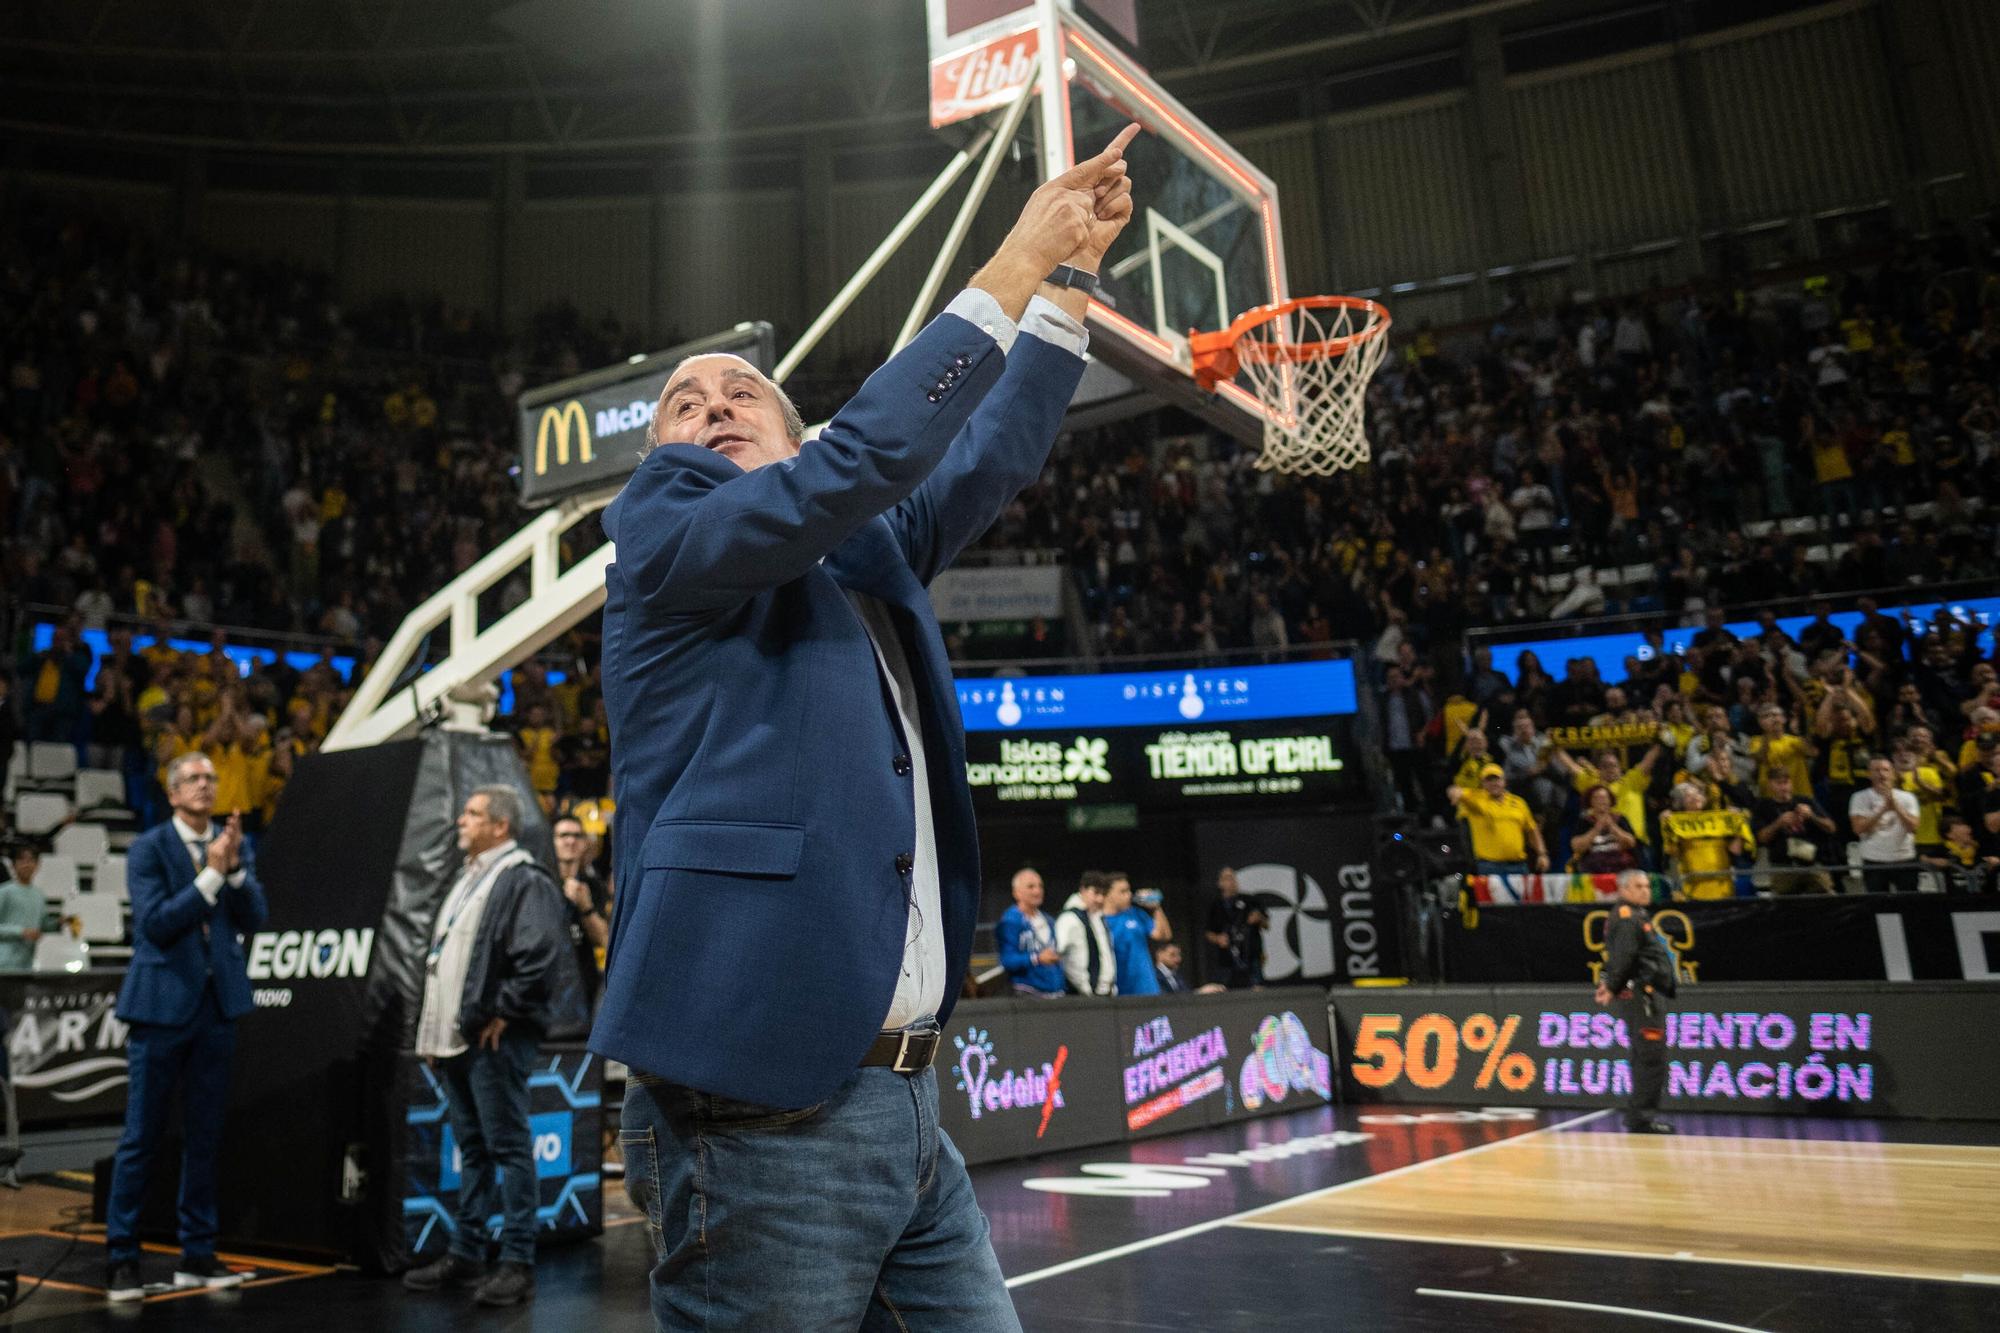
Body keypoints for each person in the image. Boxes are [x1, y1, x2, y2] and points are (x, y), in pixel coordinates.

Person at [591, 125, 1139, 1331]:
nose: (712, 405)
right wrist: (1008, 262)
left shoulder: (858, 542)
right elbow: (867, 455)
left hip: (906, 1102)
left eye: (743, 392)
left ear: (794, 436)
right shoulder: (664, 530)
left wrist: (1067, 291)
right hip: (758, 1106)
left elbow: (980, 456)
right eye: (683, 404)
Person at [403, 784, 587, 1308]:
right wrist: (438, 1031)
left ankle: (517, 1263)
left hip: (494, 1036)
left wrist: (502, 1010)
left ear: (500, 826)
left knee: (507, 1148)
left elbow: (541, 956)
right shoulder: (471, 877)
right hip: (462, 1038)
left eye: (473, 813)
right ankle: (466, 1252)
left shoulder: (522, 878)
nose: (461, 820)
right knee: (475, 1150)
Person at [105, 752, 267, 1302]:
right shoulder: (149, 848)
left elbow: (256, 918)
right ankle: (122, 1257)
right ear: (173, 794)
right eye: (194, 779)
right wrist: (212, 876)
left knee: (204, 1137)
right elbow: (156, 924)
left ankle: (197, 1254)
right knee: (141, 1137)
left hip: (215, 1008)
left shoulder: (230, 846)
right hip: (158, 1009)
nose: (205, 785)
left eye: (211, 779)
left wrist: (237, 868)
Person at [1594, 869, 1676, 1134]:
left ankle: (1640, 1116)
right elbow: (1624, 956)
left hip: (1645, 993)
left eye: (1647, 886)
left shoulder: (1635, 914)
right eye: (1638, 886)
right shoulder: (1628, 917)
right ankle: (1641, 1118)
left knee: (1647, 1056)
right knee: (1651, 1056)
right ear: (1623, 890)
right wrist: (1611, 985)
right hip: (1642, 996)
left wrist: (1610, 983)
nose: (1645, 891)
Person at [1448, 763, 1550, 878]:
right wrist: (1454, 793)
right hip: (1490, 867)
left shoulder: (1518, 802)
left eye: (1496, 779)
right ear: (1483, 783)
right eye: (1489, 780)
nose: (1493, 783)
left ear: (1504, 781)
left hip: (1518, 866)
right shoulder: (1476, 800)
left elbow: (1532, 829)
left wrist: (1542, 853)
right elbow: (1456, 791)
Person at [551, 813, 611, 1007]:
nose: (571, 841)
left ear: (585, 843)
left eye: (577, 836)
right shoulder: (539, 882)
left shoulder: (593, 886)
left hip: (584, 984)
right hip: (549, 983)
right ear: (552, 841)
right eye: (563, 835)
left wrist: (585, 906)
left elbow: (603, 939)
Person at [1751, 769, 1837, 894]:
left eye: (1785, 783)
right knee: (1785, 907)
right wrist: (1778, 823)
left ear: (1791, 783)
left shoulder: (1806, 801)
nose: (1783, 787)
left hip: (1812, 864)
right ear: (1770, 785)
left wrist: (1812, 815)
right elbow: (1761, 838)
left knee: (1826, 898)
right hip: (1782, 867)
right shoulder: (1763, 806)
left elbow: (1831, 828)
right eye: (1778, 783)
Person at [1850, 755, 1920, 893]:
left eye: (1885, 770)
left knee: (1910, 903)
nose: (1881, 774)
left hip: (1904, 859)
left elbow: (1913, 827)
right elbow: (1858, 829)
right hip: (1874, 860)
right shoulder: (1859, 797)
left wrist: (1897, 808)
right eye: (1876, 770)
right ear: (1869, 774)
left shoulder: (1908, 798)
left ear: (1893, 773)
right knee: (1877, 904)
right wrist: (1882, 810)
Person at [995, 867, 1063, 998]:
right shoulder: (1010, 922)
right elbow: (1007, 960)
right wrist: (1036, 958)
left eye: (1040, 886)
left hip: (1055, 993)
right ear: (1016, 893)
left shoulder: (1048, 920)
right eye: (1031, 887)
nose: (1037, 891)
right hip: (1028, 994)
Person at [1204, 866, 1268, 989]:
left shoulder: (1250, 900)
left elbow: (1266, 925)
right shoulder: (1215, 905)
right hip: (1227, 958)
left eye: (1233, 878)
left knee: (1257, 988)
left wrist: (1259, 918)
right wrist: (1218, 939)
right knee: (1222, 989)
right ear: (1220, 883)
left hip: (1251, 955)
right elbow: (1208, 932)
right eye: (1227, 878)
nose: (1231, 881)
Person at [1056, 871, 1117, 997]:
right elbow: (1058, 955)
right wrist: (1086, 990)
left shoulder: (1099, 919)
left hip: (1105, 995)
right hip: (1082, 997)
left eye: (1103, 894)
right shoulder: (1069, 919)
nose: (1100, 899)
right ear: (1083, 890)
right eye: (1096, 893)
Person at [1102, 874, 1162, 997]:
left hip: (1147, 988)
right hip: (1119, 991)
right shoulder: (1098, 922)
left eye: (1129, 890)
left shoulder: (1135, 913)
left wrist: (1156, 908)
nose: (1129, 895)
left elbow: (1162, 935)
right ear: (1107, 894)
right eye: (1122, 891)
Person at [0, 842, 51, 971]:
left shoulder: (39, 894)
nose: (27, 864)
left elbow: (42, 924)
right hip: (4, 963)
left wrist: (59, 923)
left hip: (27, 964)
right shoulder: (4, 891)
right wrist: (21, 932)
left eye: (31, 860)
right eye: (22, 860)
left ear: (37, 865)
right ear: (13, 865)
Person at [1569, 784, 1640, 876]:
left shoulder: (1620, 819)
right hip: (1593, 865)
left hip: (1621, 864)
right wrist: (1596, 829)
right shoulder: (1584, 821)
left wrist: (1612, 827)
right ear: (1590, 801)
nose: (1601, 801)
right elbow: (1576, 847)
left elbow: (1631, 843)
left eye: (1604, 798)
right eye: (1597, 798)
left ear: (1610, 801)